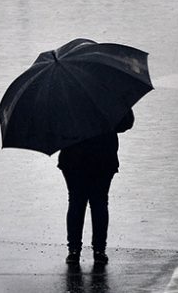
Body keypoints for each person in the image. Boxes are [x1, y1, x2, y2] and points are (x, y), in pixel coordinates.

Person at [57, 109, 135, 265]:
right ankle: (99, 250)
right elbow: (126, 123)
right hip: (103, 157)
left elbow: (56, 128)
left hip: (73, 157)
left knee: (76, 202)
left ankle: (73, 250)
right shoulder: (108, 93)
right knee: (99, 203)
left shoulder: (64, 95)